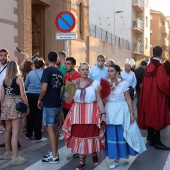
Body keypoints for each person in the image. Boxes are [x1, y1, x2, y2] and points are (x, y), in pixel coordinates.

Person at [62, 62, 106, 170]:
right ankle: (82, 161)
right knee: (79, 136)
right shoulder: (73, 84)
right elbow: (68, 100)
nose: (85, 71)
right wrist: (66, 96)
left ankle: (94, 152)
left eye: (87, 69)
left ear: (89, 71)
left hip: (91, 113)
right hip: (77, 113)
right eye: (83, 69)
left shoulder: (95, 83)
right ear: (79, 71)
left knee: (91, 134)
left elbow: (99, 100)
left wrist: (103, 114)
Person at [104, 64, 146, 169]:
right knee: (112, 134)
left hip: (122, 111)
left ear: (118, 72)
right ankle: (115, 158)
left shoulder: (123, 84)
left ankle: (119, 157)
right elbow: (105, 100)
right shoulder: (105, 84)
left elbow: (128, 99)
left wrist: (132, 114)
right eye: (108, 71)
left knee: (122, 134)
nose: (109, 73)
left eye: (112, 71)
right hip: (110, 111)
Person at [138, 46, 170, 150]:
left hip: (148, 95)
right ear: (161, 54)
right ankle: (157, 142)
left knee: (149, 114)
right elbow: (163, 84)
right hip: (157, 96)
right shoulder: (159, 67)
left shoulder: (149, 65)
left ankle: (151, 138)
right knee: (157, 116)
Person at [1, 61, 29, 165]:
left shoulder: (4, 80)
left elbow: (2, 96)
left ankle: (8, 152)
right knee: (16, 132)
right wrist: (27, 106)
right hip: (16, 104)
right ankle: (15, 157)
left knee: (7, 130)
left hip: (6, 104)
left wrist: (3, 106)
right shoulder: (19, 79)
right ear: (16, 68)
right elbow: (23, 94)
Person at [37, 51, 63, 163]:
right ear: (57, 60)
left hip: (49, 103)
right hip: (57, 102)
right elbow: (61, 89)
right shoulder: (59, 72)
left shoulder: (47, 71)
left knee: (49, 127)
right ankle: (55, 152)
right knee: (55, 127)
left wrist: (39, 99)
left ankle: (54, 155)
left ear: (48, 60)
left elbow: (44, 88)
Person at [25, 58, 47, 142]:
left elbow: (26, 85)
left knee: (30, 114)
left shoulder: (30, 73)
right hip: (39, 95)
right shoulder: (44, 73)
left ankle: (28, 134)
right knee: (38, 115)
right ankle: (38, 136)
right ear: (43, 65)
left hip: (29, 94)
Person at [63, 57, 81, 159]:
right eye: (65, 64)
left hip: (75, 106)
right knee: (69, 129)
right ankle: (74, 149)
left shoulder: (78, 76)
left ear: (73, 65)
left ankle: (76, 150)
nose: (66, 66)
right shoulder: (65, 76)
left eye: (68, 64)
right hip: (66, 105)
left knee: (75, 129)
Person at [57, 51, 67, 133]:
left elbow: (62, 82)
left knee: (62, 111)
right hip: (67, 92)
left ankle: (61, 125)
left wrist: (60, 94)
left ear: (60, 57)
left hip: (64, 92)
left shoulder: (63, 68)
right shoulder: (64, 67)